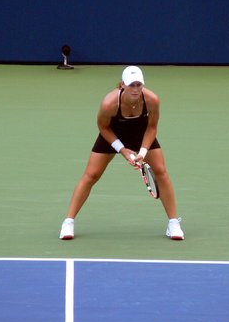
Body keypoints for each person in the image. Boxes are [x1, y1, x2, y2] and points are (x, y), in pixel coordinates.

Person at [60, 66, 184, 240]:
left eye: (138, 84)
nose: (135, 89)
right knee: (91, 175)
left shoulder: (152, 100)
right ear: (122, 85)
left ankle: (173, 223)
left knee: (161, 172)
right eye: (131, 85)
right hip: (113, 133)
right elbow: (103, 127)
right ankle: (68, 222)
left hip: (141, 134)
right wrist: (123, 150)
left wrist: (142, 151)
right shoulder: (109, 103)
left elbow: (152, 127)